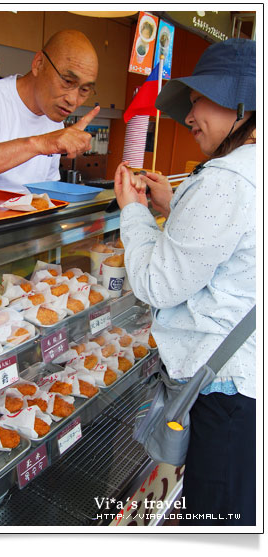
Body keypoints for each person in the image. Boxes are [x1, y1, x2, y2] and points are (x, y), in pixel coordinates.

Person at [114, 38, 256, 526]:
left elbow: (155, 283)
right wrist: (177, 207)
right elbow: (234, 248)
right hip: (248, 385)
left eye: (199, 98)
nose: (190, 113)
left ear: (241, 103)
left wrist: (132, 212)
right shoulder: (252, 172)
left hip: (229, 398)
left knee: (218, 523)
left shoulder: (228, 178)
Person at [0, 29, 100, 194]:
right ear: (38, 63)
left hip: (18, 219)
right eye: (67, 81)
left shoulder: (55, 124)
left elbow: (45, 191)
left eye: (85, 89)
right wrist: (40, 144)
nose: (73, 100)